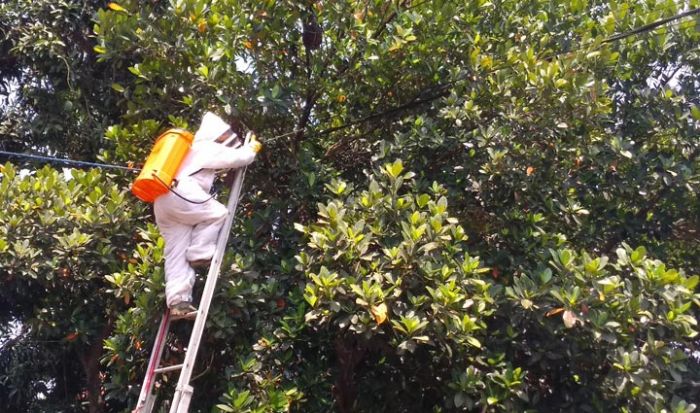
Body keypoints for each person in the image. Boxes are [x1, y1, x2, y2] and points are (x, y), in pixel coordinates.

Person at [153, 112, 261, 317]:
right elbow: (237, 158)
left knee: (176, 251)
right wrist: (251, 150)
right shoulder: (205, 148)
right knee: (218, 213)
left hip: (162, 200)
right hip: (180, 194)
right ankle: (200, 253)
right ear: (218, 137)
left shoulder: (187, 153)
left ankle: (178, 302)